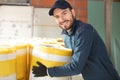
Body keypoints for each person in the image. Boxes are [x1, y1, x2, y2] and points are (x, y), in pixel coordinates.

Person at [32, 0, 120, 80]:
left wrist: (48, 71)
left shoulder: (84, 31)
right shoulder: (67, 38)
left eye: (64, 13)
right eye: (57, 17)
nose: (61, 19)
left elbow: (76, 67)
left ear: (73, 13)